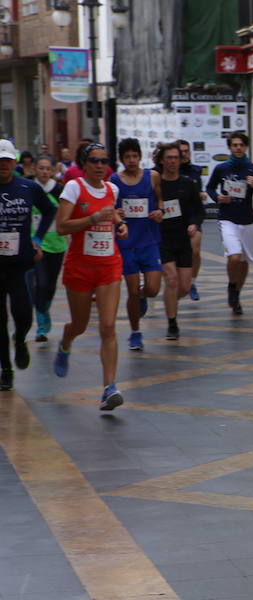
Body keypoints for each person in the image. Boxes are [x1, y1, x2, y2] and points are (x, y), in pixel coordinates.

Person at [53, 143, 128, 410]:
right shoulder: (74, 188)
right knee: (81, 325)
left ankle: (109, 388)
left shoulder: (112, 189)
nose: (99, 165)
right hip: (80, 267)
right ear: (84, 164)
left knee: (108, 326)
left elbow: (114, 217)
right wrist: (92, 218)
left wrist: (121, 225)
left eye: (103, 161)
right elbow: (61, 227)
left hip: (109, 265)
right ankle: (66, 341)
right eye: (94, 161)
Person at [0, 140, 55, 391]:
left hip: (20, 263)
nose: (3, 165)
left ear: (15, 163)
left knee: (23, 315)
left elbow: (49, 211)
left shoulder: (28, 187)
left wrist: (37, 239)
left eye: (7, 160)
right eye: (0, 160)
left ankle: (20, 339)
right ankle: (6, 370)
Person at [110, 138, 164, 351]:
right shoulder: (114, 180)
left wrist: (159, 211)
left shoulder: (152, 177)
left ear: (140, 157)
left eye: (134, 156)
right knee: (132, 291)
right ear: (121, 159)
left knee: (152, 288)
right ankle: (135, 332)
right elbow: (110, 207)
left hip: (149, 240)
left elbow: (160, 200)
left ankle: (143, 296)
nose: (131, 161)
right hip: (126, 243)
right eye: (127, 157)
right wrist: (117, 213)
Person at [206, 132, 253, 315]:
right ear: (230, 147)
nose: (238, 148)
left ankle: (237, 295)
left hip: (247, 219)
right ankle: (232, 286)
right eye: (235, 145)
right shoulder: (221, 168)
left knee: (244, 262)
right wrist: (218, 197)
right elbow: (209, 187)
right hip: (227, 218)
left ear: (246, 147)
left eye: (241, 145)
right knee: (234, 256)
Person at [157, 142, 204, 340]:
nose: (173, 161)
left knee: (183, 287)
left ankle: (170, 301)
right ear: (162, 160)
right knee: (172, 280)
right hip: (162, 240)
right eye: (169, 158)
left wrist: (194, 223)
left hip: (183, 240)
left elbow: (198, 210)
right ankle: (172, 323)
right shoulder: (156, 183)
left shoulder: (188, 184)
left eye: (176, 158)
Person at [29, 155, 68, 343]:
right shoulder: (29, 188)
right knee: (41, 284)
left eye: (47, 169)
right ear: (35, 169)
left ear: (52, 171)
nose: (44, 172)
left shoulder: (59, 190)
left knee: (50, 286)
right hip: (36, 245)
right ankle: (41, 325)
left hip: (57, 245)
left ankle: (44, 310)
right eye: (41, 168)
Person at [177, 139, 204, 301]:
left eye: (187, 151)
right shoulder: (169, 171)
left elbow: (198, 192)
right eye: (181, 152)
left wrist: (200, 195)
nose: (184, 154)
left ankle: (192, 282)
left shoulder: (196, 171)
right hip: (173, 221)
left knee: (195, 250)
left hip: (193, 217)